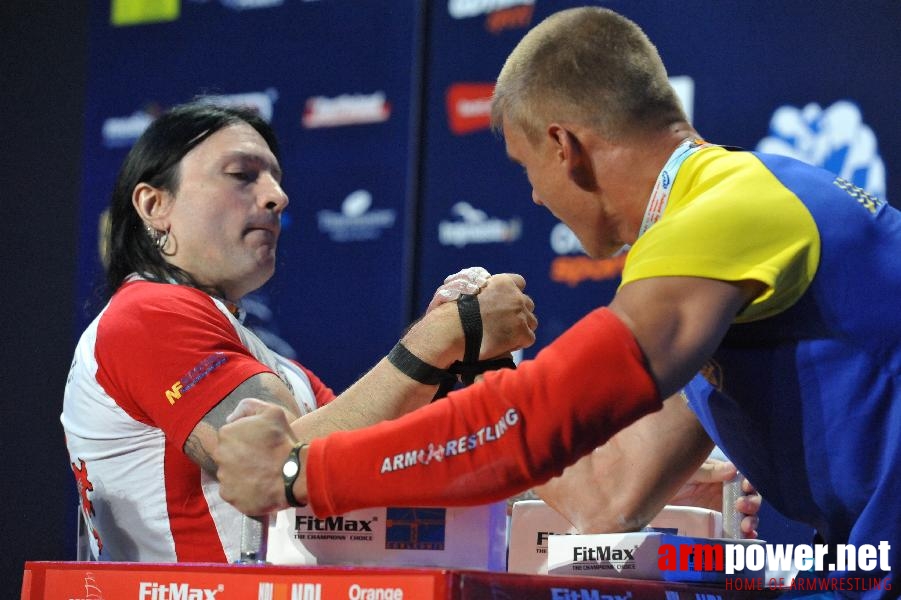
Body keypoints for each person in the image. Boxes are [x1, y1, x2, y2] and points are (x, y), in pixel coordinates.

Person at [215, 6, 899, 595]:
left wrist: (300, 470)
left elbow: (539, 418)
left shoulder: (728, 213)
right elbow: (608, 499)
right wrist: (482, 362)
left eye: (525, 168)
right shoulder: (713, 253)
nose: (536, 197)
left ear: (563, 146)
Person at [60, 100, 539, 562]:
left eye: (275, 179)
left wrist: (461, 357)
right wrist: (444, 335)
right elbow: (277, 464)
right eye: (241, 175)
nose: (277, 196)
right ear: (153, 204)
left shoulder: (279, 368)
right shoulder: (147, 313)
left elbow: (374, 468)